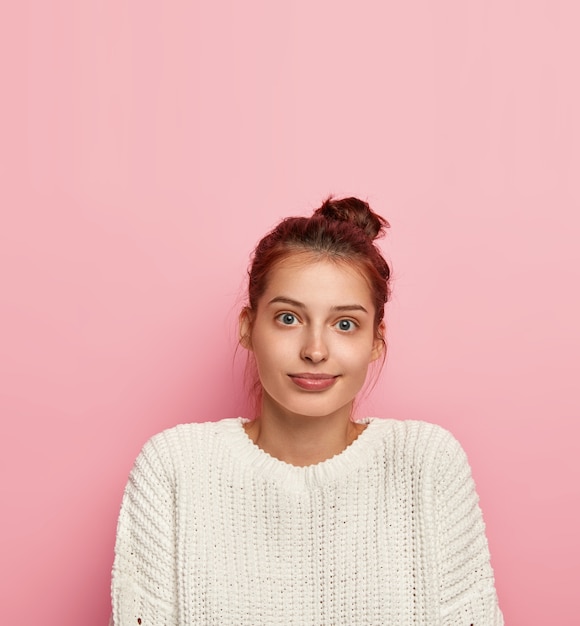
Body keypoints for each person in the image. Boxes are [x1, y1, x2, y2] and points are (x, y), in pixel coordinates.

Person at [109, 197, 504, 625]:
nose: (315, 350)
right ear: (248, 327)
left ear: (375, 339)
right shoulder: (175, 467)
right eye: (288, 318)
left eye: (345, 324)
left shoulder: (426, 463)